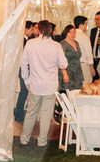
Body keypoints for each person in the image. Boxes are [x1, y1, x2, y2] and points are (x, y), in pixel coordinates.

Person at [19, 20, 68, 148]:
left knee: (31, 113)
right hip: (50, 85)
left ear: (39, 30)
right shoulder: (56, 46)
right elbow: (64, 64)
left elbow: (24, 63)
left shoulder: (30, 44)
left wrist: (26, 79)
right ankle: (42, 141)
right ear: (51, 30)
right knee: (46, 115)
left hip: (34, 84)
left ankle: (24, 139)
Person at [13, 20, 36, 130]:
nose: (32, 32)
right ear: (25, 29)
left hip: (24, 68)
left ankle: (18, 112)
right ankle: (18, 114)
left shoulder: (26, 40)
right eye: (31, 29)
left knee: (24, 91)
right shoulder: (22, 41)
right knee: (24, 91)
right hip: (22, 68)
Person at [59, 24, 84, 89]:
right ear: (66, 33)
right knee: (68, 93)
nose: (73, 34)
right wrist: (64, 73)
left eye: (74, 32)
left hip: (78, 73)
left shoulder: (76, 42)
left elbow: (79, 55)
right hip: (67, 73)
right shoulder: (62, 44)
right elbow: (60, 61)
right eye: (71, 32)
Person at [72, 15, 94, 84]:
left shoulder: (70, 36)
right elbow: (88, 54)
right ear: (81, 25)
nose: (86, 26)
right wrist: (92, 68)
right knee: (86, 86)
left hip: (72, 65)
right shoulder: (84, 37)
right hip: (83, 65)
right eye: (86, 24)